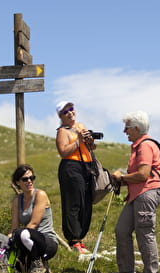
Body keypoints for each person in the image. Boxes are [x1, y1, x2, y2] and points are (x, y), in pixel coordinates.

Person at [111, 110, 160, 273]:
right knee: (122, 230)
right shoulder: (139, 146)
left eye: (127, 128)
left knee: (145, 234)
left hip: (146, 194)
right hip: (136, 195)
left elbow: (143, 174)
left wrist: (122, 178)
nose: (124, 131)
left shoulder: (145, 145)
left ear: (136, 128)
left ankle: (151, 271)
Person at [55, 101, 96, 253]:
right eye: (66, 112)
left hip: (86, 166)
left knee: (86, 201)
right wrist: (78, 140)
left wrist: (90, 140)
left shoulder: (81, 126)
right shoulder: (62, 131)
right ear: (61, 116)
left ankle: (80, 237)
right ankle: (74, 239)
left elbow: (92, 147)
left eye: (71, 109)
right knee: (74, 202)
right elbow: (63, 152)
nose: (70, 113)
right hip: (71, 168)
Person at [9, 164, 58, 273]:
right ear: (18, 182)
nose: (29, 181)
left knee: (21, 233)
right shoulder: (17, 200)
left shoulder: (40, 195)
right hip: (27, 241)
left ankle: (38, 262)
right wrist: (8, 240)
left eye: (32, 178)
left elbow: (34, 224)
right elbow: (14, 226)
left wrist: (16, 237)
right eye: (25, 179)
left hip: (46, 241)